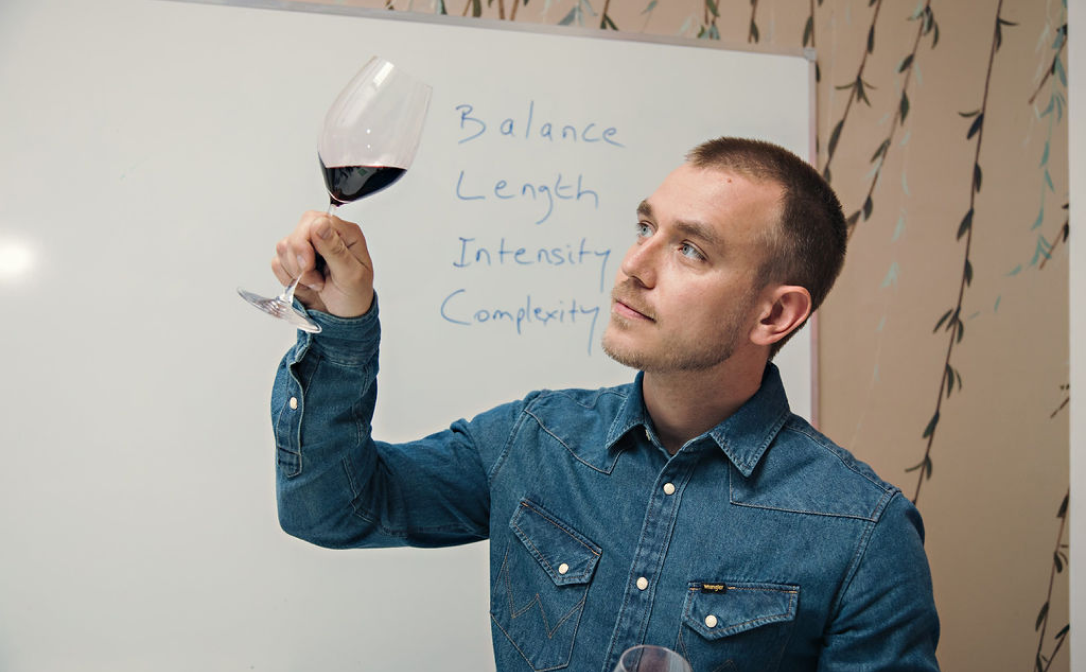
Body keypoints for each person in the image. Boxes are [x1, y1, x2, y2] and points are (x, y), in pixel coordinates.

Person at [269, 137, 940, 672]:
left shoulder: (863, 535)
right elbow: (331, 508)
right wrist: (343, 323)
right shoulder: (534, 439)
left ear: (775, 313)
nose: (634, 266)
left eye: (689, 249)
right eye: (645, 226)